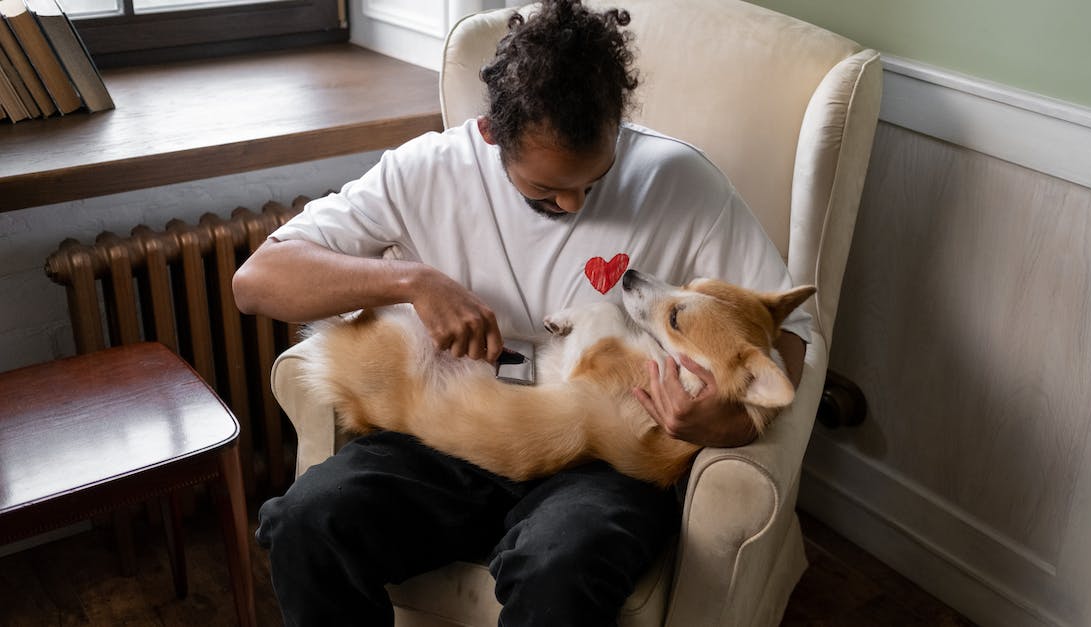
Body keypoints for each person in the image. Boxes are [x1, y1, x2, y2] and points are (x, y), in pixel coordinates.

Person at [233, 1, 811, 625]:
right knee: (307, 521)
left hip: (600, 459)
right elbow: (258, 281)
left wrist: (721, 425)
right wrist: (413, 280)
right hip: (446, 439)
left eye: (595, 178)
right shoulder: (426, 170)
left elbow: (795, 339)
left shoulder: (684, 182)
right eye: (546, 188)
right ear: (490, 135)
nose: (573, 201)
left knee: (563, 563)